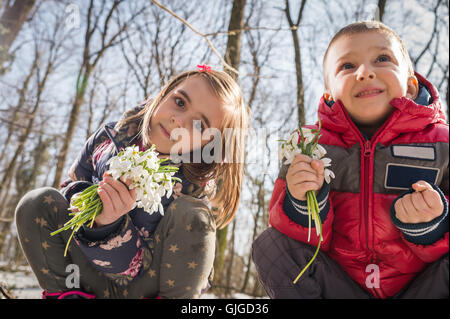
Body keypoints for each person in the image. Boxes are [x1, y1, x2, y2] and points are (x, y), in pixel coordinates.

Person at [252, 21, 449, 299]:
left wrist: (432, 224)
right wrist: (303, 201)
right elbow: (293, 234)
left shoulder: (442, 143)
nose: (365, 72)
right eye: (347, 66)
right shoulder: (309, 144)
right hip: (340, 287)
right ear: (329, 92)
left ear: (410, 84)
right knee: (271, 245)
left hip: (421, 286)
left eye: (382, 59)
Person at [15, 66, 249, 299]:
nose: (178, 121)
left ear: (209, 143)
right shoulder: (109, 139)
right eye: (179, 102)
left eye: (199, 125)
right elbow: (70, 184)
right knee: (37, 202)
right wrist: (93, 214)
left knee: (194, 216)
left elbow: (144, 271)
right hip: (84, 276)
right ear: (163, 94)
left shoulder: (192, 189)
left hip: (145, 287)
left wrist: (114, 228)